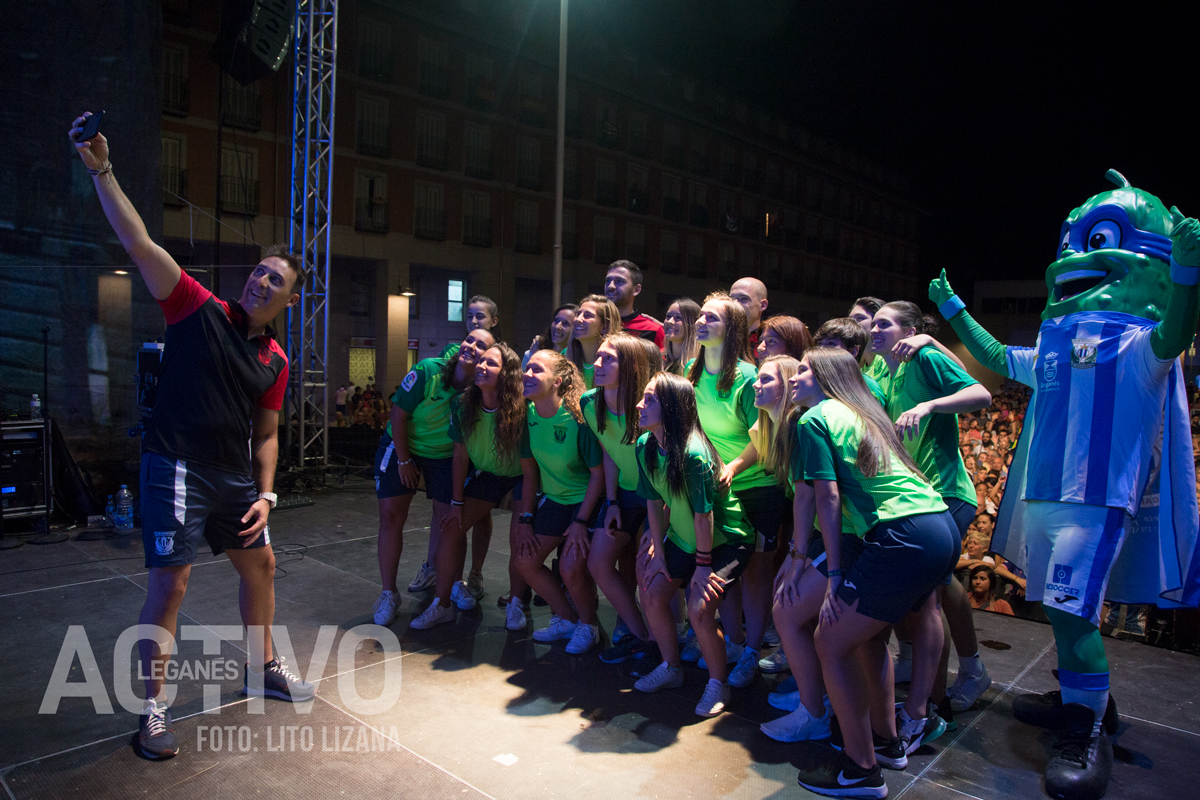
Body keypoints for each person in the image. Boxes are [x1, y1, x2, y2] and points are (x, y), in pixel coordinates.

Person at [70, 112, 314, 760]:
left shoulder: (277, 363)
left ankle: (263, 667)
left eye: (275, 281)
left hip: (233, 476)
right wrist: (104, 171)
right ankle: (152, 711)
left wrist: (269, 494)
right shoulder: (197, 308)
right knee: (170, 586)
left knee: (260, 565)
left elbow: (266, 434)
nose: (260, 280)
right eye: (260, 271)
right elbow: (140, 241)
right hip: (174, 464)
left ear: (289, 302)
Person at [786, 348, 959, 798]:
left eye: (803, 369)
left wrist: (836, 574)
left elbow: (827, 498)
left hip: (902, 536)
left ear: (825, 377)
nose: (794, 376)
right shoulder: (866, 413)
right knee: (867, 637)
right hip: (937, 527)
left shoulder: (814, 419)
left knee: (830, 639)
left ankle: (861, 770)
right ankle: (885, 743)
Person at [872, 300, 994, 723]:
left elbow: (981, 393)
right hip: (914, 498)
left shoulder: (922, 358)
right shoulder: (881, 371)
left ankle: (933, 703)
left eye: (883, 324)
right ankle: (952, 679)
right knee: (928, 597)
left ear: (908, 331)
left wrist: (930, 405)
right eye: (872, 324)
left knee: (928, 602)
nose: (873, 330)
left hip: (945, 495)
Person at [631, 373, 755, 718]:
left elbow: (706, 517)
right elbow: (655, 503)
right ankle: (671, 667)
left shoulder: (695, 455)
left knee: (699, 608)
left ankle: (719, 684)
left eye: (650, 399)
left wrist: (702, 568)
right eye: (643, 397)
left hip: (727, 541)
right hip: (687, 539)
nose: (640, 405)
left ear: (672, 407)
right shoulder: (645, 447)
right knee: (652, 593)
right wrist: (658, 550)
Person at [687, 292, 782, 687]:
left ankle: (750, 652)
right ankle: (732, 642)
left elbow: (764, 435)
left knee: (756, 577)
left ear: (733, 329)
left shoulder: (746, 376)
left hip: (756, 486)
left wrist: (734, 466)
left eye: (711, 316)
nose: (701, 321)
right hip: (718, 486)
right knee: (726, 576)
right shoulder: (690, 372)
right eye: (701, 315)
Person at [371, 328, 496, 625]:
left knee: (451, 521)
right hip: (403, 447)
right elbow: (398, 415)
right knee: (391, 518)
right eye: (469, 340)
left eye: (481, 346)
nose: (472, 346)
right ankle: (389, 593)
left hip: (443, 456)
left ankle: (453, 584)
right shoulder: (428, 370)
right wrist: (404, 460)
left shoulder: (479, 389)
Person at [410, 344, 535, 629]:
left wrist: (526, 517)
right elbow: (460, 455)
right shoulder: (463, 403)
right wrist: (456, 502)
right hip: (488, 474)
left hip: (521, 477)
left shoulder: (523, 410)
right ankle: (441, 605)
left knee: (519, 537)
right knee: (450, 528)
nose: (481, 366)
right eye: (481, 361)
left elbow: (529, 471)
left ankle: (516, 603)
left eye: (491, 364)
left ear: (506, 374)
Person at [510, 350, 606, 651]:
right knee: (525, 561)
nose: (527, 374)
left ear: (557, 381)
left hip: (586, 501)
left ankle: (589, 626)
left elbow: (598, 476)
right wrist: (525, 519)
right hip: (554, 500)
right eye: (527, 368)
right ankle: (567, 619)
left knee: (569, 568)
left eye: (536, 370)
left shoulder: (578, 418)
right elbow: (529, 475)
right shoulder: (527, 416)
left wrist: (580, 521)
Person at [580, 333, 657, 662]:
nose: (597, 364)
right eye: (598, 356)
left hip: (660, 495)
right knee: (597, 562)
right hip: (624, 492)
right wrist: (611, 501)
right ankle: (640, 635)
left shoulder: (649, 406)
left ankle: (664, 641)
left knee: (651, 570)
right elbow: (609, 451)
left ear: (631, 366)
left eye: (608, 358)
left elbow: (665, 463)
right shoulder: (589, 402)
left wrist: (659, 526)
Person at [436, 294, 502, 599]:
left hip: (488, 453)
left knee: (482, 515)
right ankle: (439, 570)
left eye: (480, 317)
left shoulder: (501, 360)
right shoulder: (453, 354)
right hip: (459, 445)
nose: (474, 322)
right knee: (450, 511)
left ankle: (475, 572)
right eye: (470, 317)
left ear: (494, 322)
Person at [812, 318, 888, 407]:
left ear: (853, 351)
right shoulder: (813, 380)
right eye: (819, 344)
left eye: (831, 344)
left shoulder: (868, 388)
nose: (821, 350)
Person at [564, 294, 622, 388]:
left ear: (605, 325)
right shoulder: (565, 355)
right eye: (578, 314)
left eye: (587, 316)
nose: (578, 319)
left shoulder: (615, 361)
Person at [605, 260, 665, 348]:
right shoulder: (594, 323)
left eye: (620, 281)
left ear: (636, 290)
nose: (611, 286)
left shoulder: (653, 330)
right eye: (608, 280)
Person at [522, 303, 577, 367]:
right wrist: (535, 356)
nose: (557, 326)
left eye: (565, 323)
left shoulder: (578, 359)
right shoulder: (531, 354)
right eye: (556, 320)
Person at [662, 297, 701, 375]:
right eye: (668, 316)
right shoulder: (660, 361)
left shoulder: (698, 366)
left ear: (692, 324)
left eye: (678, 318)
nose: (670, 321)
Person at [730, 276, 769, 355]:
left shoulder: (770, 341)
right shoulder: (720, 335)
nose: (735, 303)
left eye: (744, 299)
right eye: (732, 299)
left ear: (762, 305)